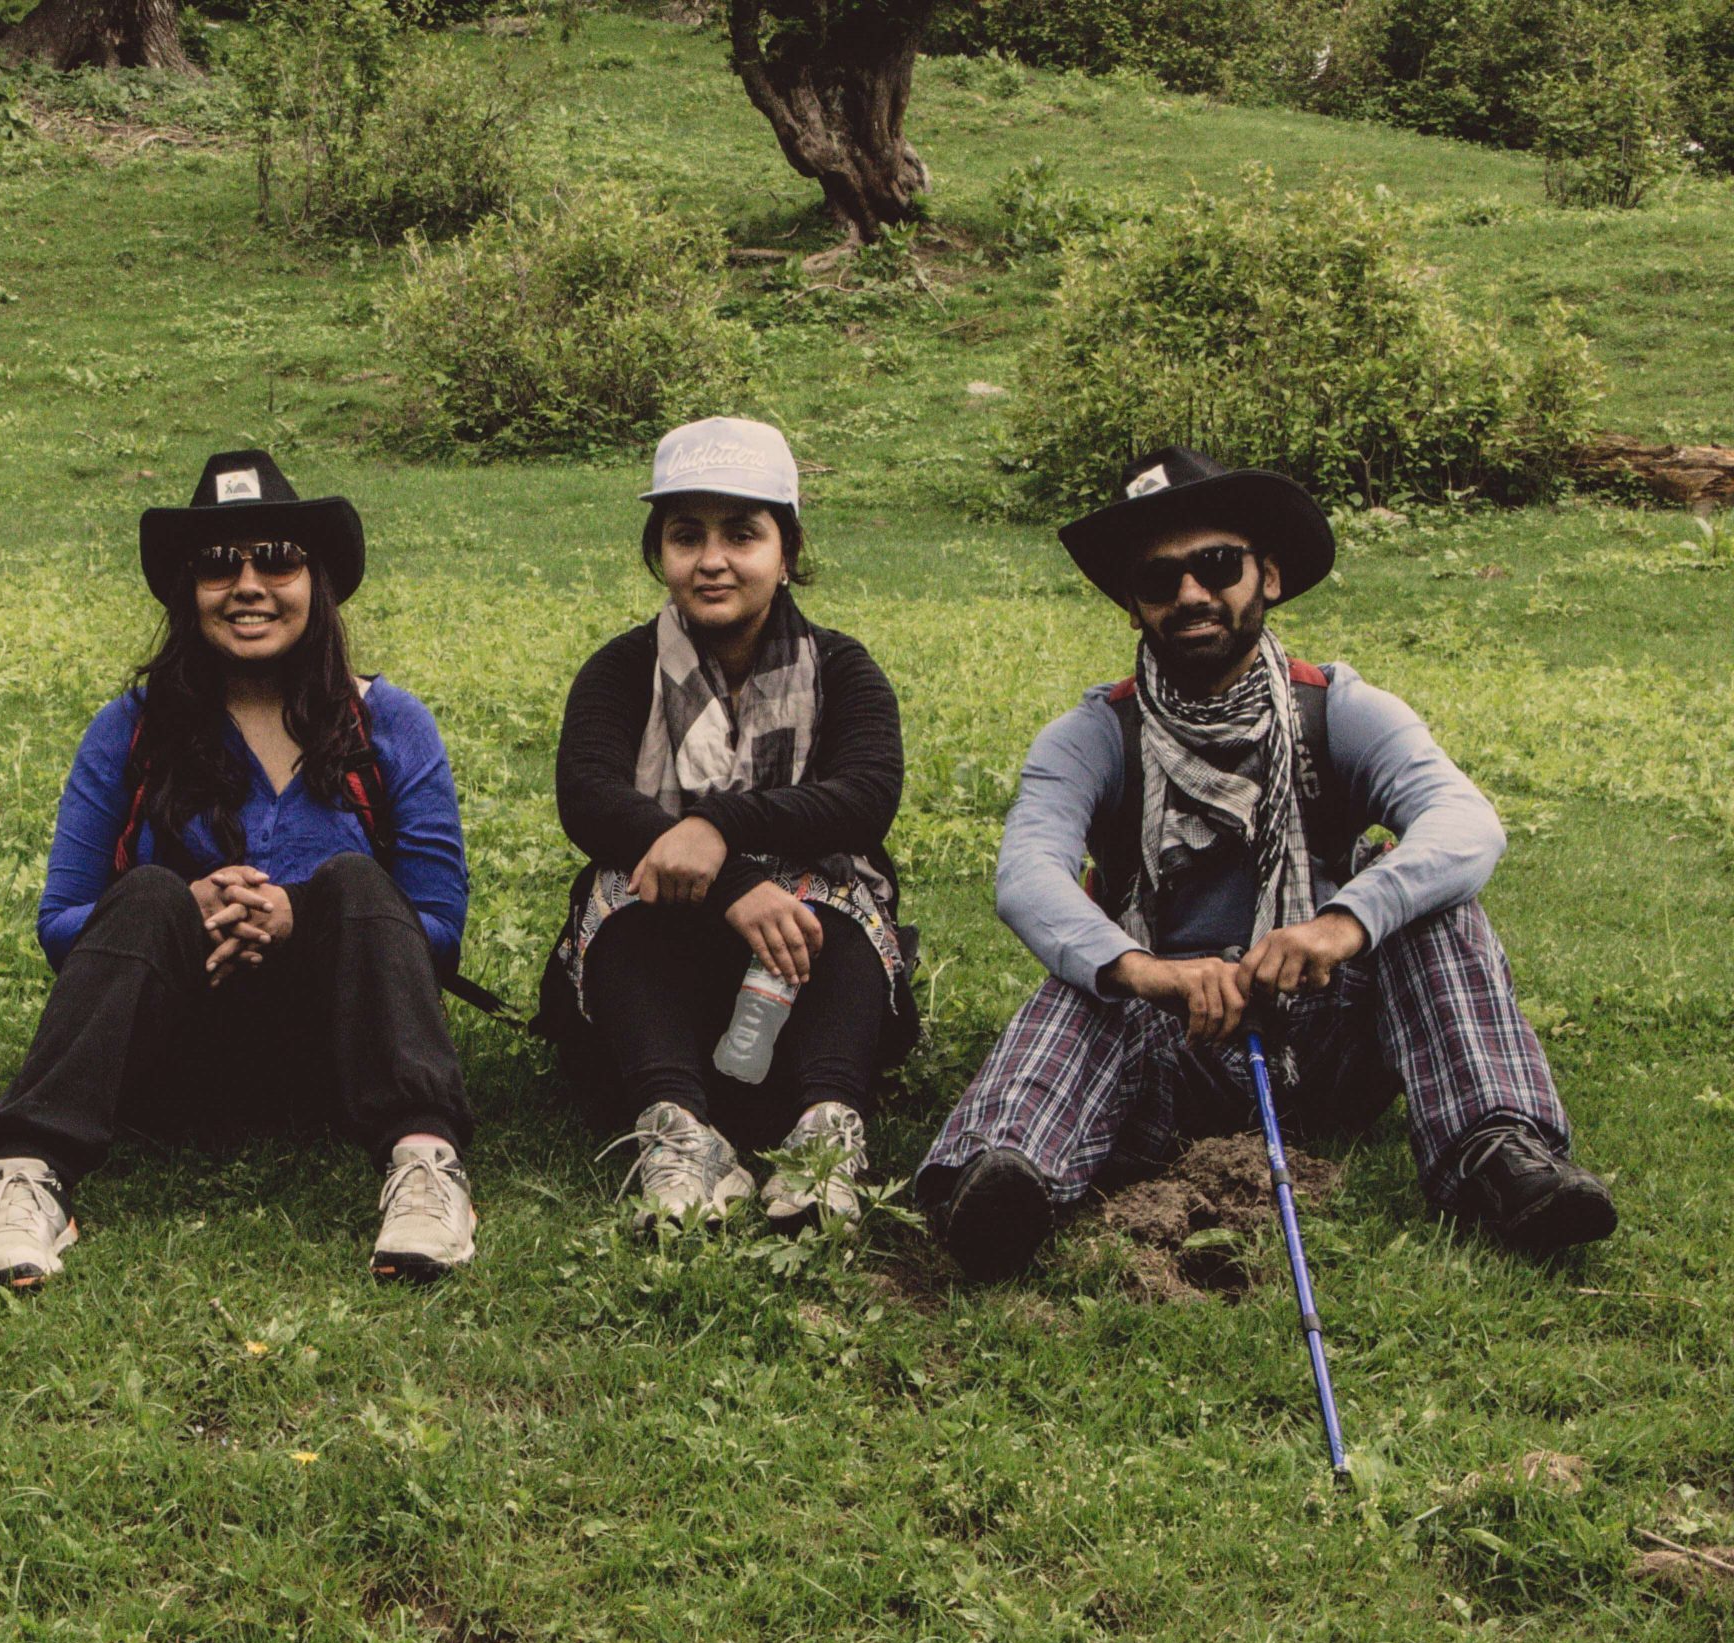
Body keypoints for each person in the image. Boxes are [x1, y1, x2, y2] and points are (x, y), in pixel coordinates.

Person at [921, 448, 1616, 1280]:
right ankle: (1000, 1178)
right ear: (1133, 604)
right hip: (1171, 1043)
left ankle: (1501, 1155)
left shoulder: (1338, 708)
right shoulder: (1094, 735)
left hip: (1333, 1030)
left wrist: (1341, 922)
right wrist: (1148, 970)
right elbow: (1026, 875)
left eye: (1217, 565)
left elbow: (1464, 823)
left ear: (1270, 577)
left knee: (1436, 909)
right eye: (1158, 577)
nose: (1189, 594)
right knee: (1091, 966)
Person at [0, 450, 480, 1289]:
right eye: (217, 564)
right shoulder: (128, 728)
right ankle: (29, 1178)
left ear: (317, 580)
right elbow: (61, 923)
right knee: (148, 889)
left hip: (343, 1055)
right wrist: (190, 909)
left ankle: (426, 1168)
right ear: (187, 592)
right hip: (174, 1057)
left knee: (355, 879)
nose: (248, 584)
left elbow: (438, 928)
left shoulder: (389, 722)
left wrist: (300, 915)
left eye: (277, 558)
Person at [542, 417, 916, 1232]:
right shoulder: (620, 670)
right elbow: (589, 795)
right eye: (686, 535)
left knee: (838, 899)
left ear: (786, 553)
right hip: (665, 968)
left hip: (804, 976)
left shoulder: (842, 669)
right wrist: (734, 881)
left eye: (742, 533)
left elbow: (866, 794)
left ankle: (823, 1140)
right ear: (660, 554)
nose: (712, 560)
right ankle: (677, 1132)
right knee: (627, 889)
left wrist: (716, 825)